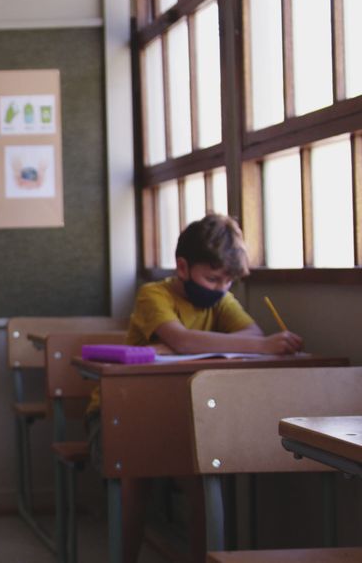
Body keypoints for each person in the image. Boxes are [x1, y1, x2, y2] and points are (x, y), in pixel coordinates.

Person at [86, 213, 303, 563]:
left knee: (203, 480)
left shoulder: (220, 299)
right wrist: (192, 343)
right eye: (213, 277)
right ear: (183, 267)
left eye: (228, 281)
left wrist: (189, 343)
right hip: (120, 413)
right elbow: (184, 341)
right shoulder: (153, 294)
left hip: (180, 416)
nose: (220, 287)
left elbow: (251, 335)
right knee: (134, 479)